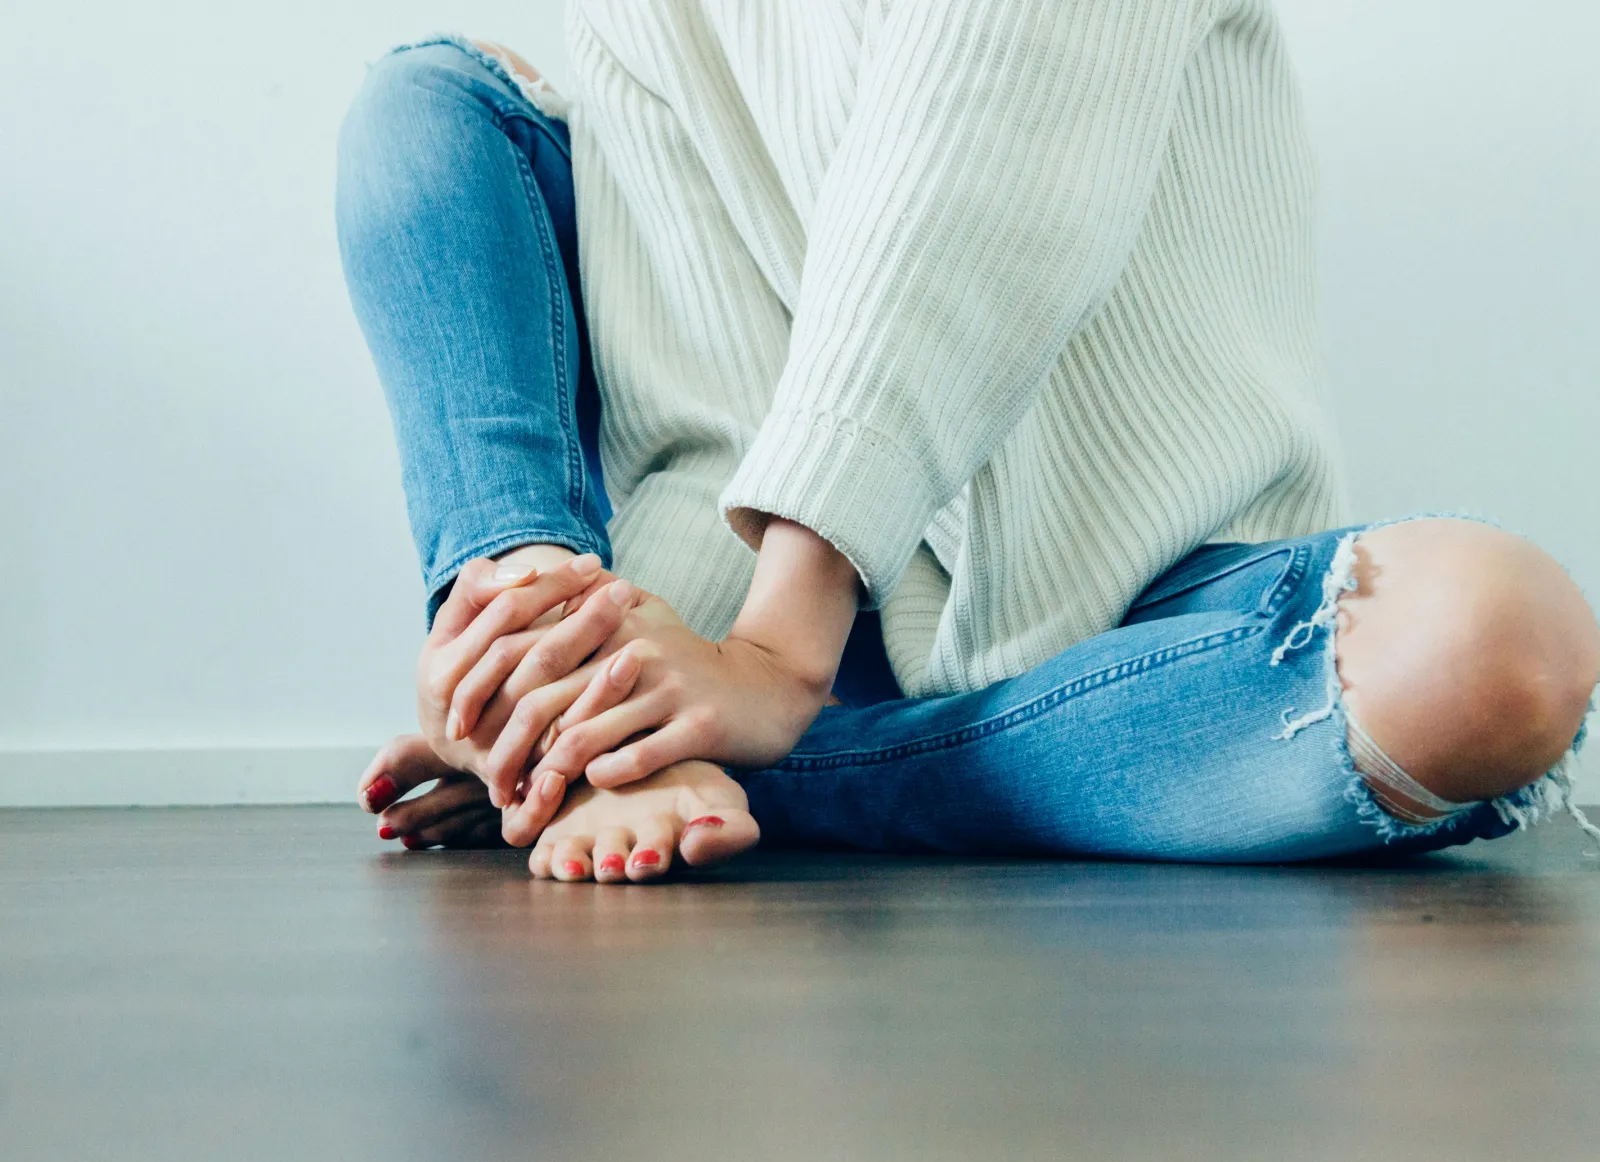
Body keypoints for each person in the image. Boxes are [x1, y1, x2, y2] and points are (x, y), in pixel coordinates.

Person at [334, 4, 1600, 884]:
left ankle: (748, 775)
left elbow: (970, 190)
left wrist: (773, 664)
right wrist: (621, 681)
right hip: (814, 613)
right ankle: (534, 681)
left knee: (1499, 644)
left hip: (1143, 613)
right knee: (431, 105)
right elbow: (708, 408)